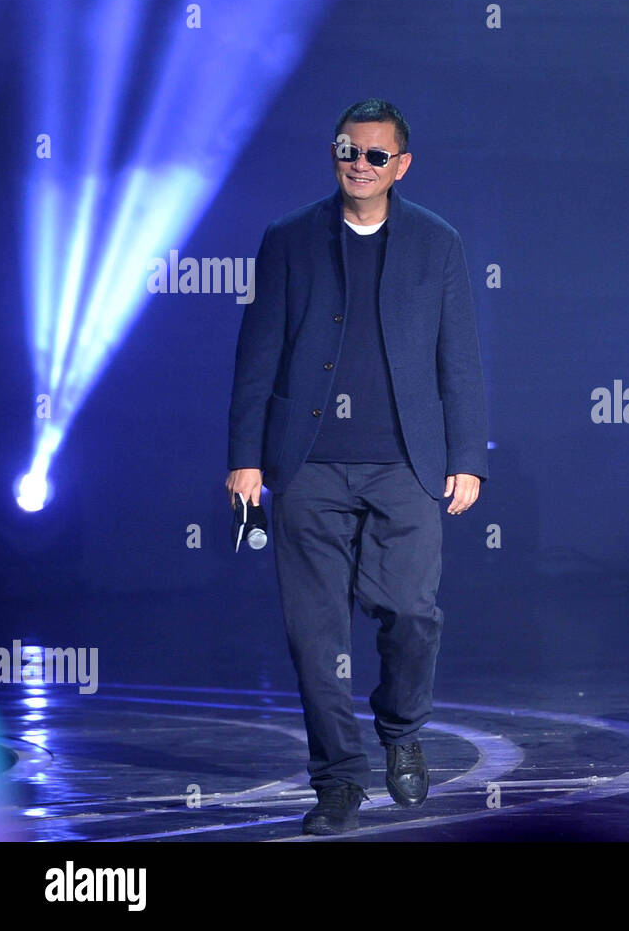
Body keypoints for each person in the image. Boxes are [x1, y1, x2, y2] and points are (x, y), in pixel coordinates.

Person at [226, 99, 488, 835]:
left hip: (406, 463)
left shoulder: (437, 243)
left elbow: (459, 361)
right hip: (306, 466)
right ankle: (337, 779)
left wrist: (467, 457)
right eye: (349, 149)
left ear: (400, 165)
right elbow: (257, 355)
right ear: (335, 152)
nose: (360, 164)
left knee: (410, 611)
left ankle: (401, 731)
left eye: (376, 155)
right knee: (314, 634)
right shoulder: (289, 239)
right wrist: (246, 459)